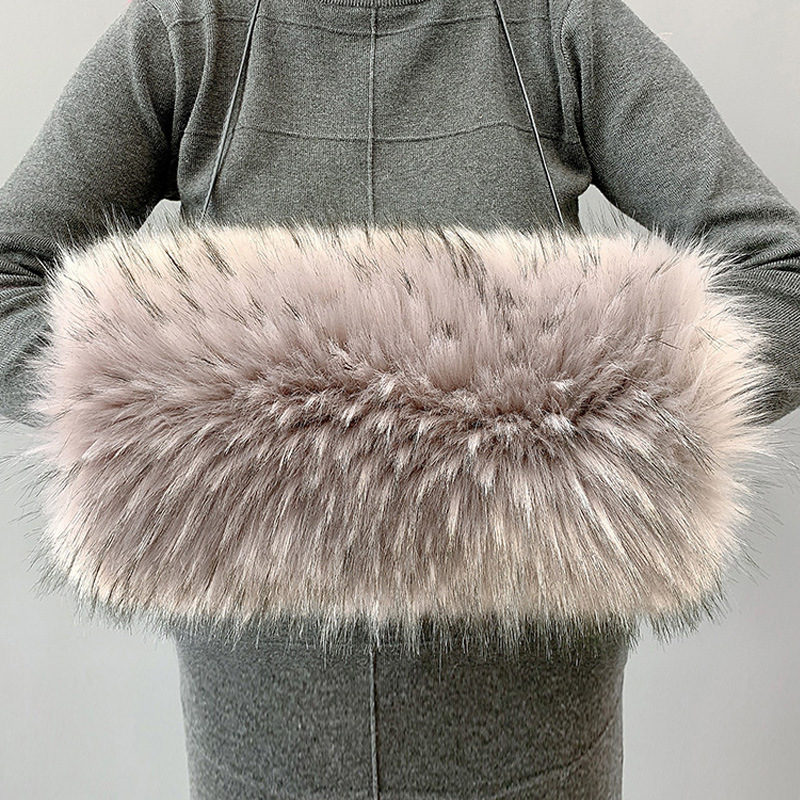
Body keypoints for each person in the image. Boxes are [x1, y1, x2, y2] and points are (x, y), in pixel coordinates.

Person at [1, 0, 798, 798]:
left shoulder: (560, 26)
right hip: (262, 738)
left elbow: (781, 278)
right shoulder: (194, 32)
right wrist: (176, 406)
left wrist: (591, 419)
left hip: (535, 732)